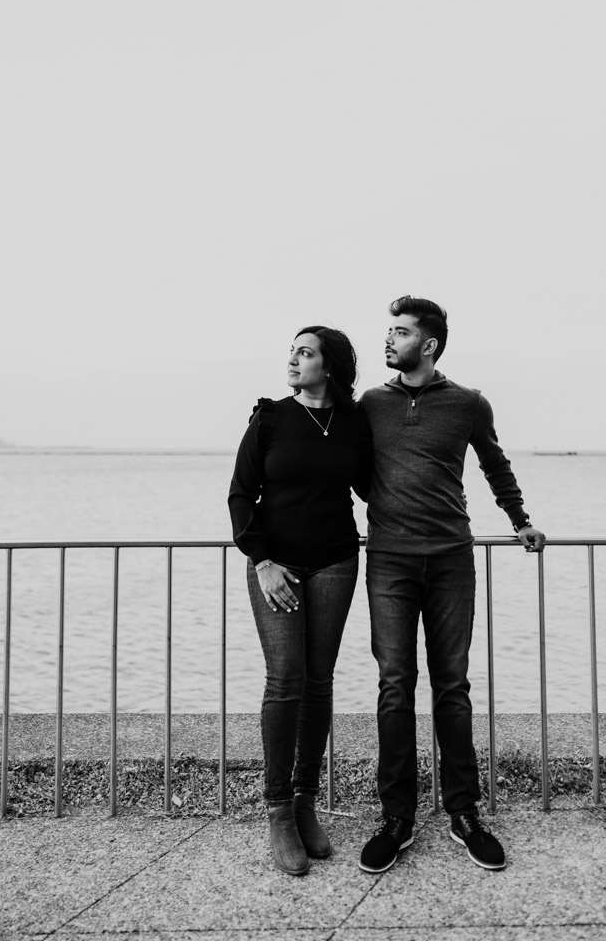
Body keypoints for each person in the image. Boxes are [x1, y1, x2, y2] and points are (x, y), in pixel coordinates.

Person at [358, 295, 545, 875]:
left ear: (429, 344)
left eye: (400, 332)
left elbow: (495, 464)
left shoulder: (468, 403)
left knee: (453, 687)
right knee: (394, 686)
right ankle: (397, 818)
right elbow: (349, 469)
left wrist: (520, 521)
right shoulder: (370, 403)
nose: (389, 340)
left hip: (449, 561)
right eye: (388, 331)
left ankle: (465, 813)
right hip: (388, 560)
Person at [228, 325, 372, 877]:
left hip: (336, 560)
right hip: (277, 566)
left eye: (305, 353)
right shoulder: (269, 418)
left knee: (319, 680)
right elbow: (241, 495)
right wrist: (262, 562)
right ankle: (277, 809)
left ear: (329, 365)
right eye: (291, 352)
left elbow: (372, 486)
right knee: (285, 677)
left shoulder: (353, 423)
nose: (293, 360)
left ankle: (307, 799)